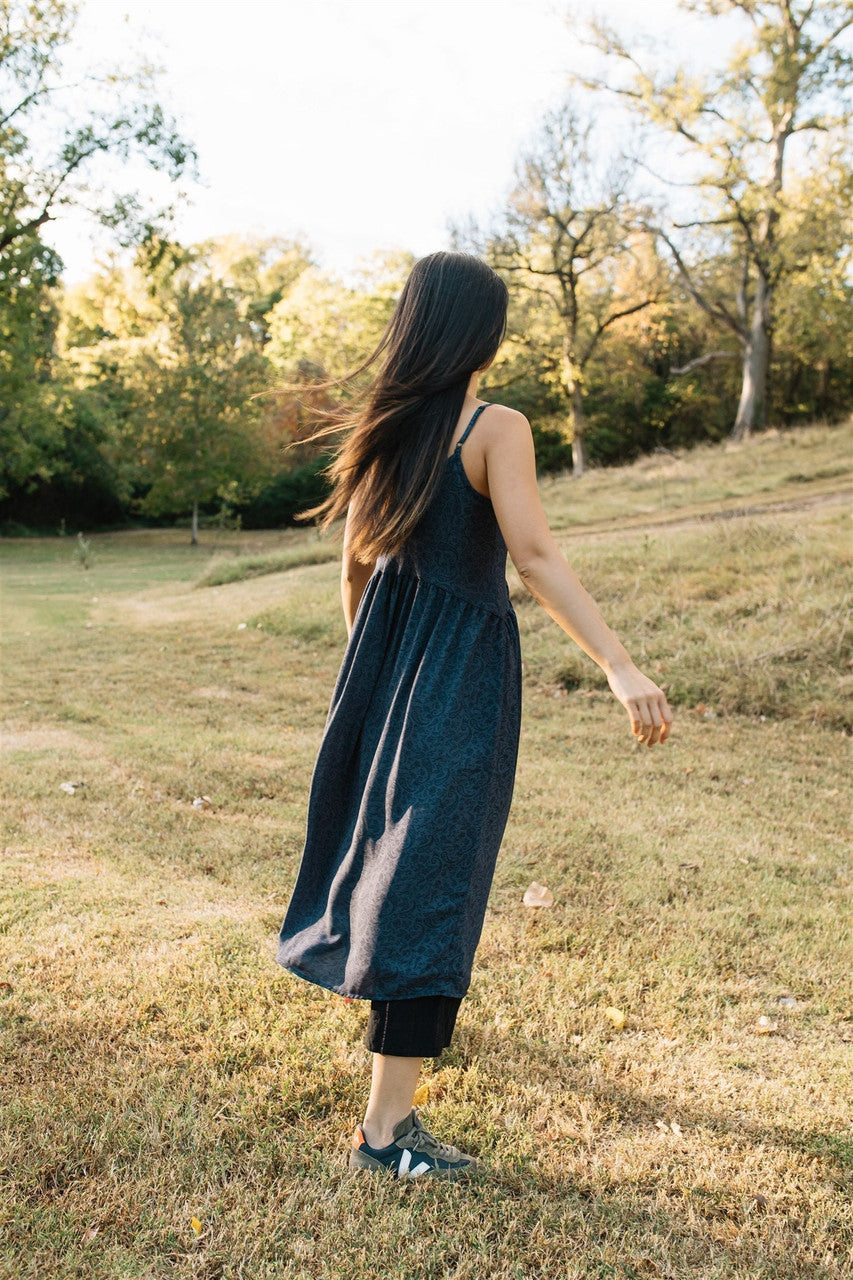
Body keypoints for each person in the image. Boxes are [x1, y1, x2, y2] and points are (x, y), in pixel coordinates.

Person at [275, 251, 672, 1182]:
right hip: (457, 670)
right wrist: (619, 665)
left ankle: (388, 1035)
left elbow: (355, 570)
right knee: (433, 875)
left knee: (389, 856)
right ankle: (385, 1136)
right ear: (479, 334)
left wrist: (373, 671)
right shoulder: (495, 426)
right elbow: (532, 556)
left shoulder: (385, 427)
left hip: (382, 662)